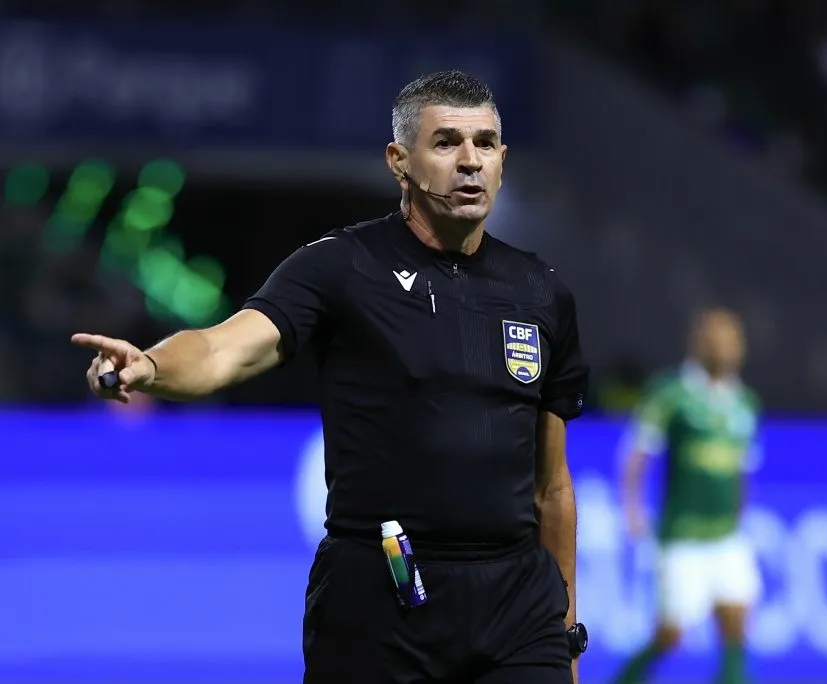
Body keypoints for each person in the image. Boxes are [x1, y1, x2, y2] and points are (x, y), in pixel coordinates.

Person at [72, 70, 589, 684]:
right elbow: (221, 350)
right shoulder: (342, 267)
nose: (470, 161)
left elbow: (552, 489)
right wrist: (152, 365)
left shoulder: (540, 291)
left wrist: (565, 636)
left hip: (516, 608)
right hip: (381, 597)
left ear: (503, 160)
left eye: (485, 144)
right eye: (446, 142)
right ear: (400, 161)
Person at [612, 308, 762, 684]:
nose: (725, 348)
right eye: (717, 339)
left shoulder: (744, 402)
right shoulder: (672, 394)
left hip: (727, 537)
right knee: (671, 635)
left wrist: (741, 517)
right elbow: (637, 453)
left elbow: (743, 469)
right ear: (698, 343)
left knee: (737, 620)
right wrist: (632, 510)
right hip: (682, 537)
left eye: (732, 340)